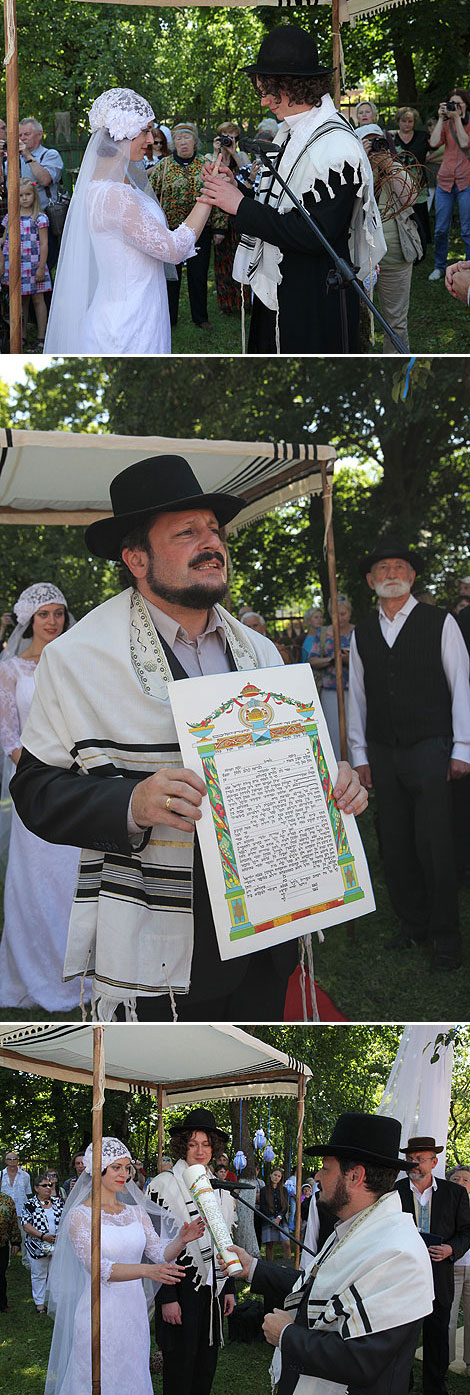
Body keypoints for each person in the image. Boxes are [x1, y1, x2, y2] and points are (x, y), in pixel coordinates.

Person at [11, 455, 366, 1022]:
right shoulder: (76, 659)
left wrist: (336, 783)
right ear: (135, 559)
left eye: (214, 530)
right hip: (159, 943)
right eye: (186, 532)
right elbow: (33, 789)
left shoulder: (262, 652)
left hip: (267, 931)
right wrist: (131, 802)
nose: (211, 542)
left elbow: (303, 768)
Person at [200, 26, 385, 354]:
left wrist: (240, 206)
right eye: (262, 89)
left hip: (313, 294)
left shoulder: (336, 147)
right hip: (283, 283)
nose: (264, 100)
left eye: (271, 90)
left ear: (297, 85)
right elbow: (281, 203)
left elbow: (318, 234)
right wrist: (236, 188)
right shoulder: (291, 131)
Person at [229, 1111, 434, 1395]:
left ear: (355, 1176)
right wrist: (253, 1267)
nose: (317, 1176)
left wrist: (287, 1335)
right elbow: (319, 1289)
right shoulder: (357, 1226)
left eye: (326, 1168)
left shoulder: (399, 1251)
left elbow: (362, 1359)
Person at [348, 535, 470, 971]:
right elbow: (356, 696)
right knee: (394, 843)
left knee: (435, 844)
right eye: (382, 569)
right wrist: (359, 754)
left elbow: (462, 687)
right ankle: (411, 924)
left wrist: (463, 748)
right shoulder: (362, 632)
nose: (392, 574)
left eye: (399, 567)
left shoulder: (441, 622)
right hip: (382, 751)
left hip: (430, 748)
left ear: (413, 575)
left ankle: (445, 938)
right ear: (370, 580)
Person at [44, 90, 212, 354]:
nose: (150, 139)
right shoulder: (114, 196)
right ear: (122, 132)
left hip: (138, 311)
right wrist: (209, 195)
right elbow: (173, 249)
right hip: (126, 326)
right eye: (145, 131)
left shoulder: (113, 185)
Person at [44, 1136, 205, 1395]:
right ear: (98, 1170)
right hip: (99, 1310)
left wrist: (181, 1239)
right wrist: (147, 1271)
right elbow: (98, 1268)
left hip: (133, 1311)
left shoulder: (135, 1212)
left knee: (131, 1373)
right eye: (116, 1167)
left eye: (127, 1167)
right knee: (99, 1375)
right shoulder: (80, 1216)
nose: (124, 1174)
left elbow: (158, 1253)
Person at [0, 583, 84, 1012]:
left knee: (74, 878)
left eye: (58, 613)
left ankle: (80, 969)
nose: (53, 622)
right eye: (44, 615)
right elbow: (7, 730)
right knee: (35, 880)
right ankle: (34, 971)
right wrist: (37, 770)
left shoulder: (72, 663)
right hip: (34, 786)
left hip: (73, 783)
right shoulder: (11, 669)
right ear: (29, 621)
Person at [147, 1108, 236, 1395]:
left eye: (206, 1144)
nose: (200, 1150)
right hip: (179, 1286)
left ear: (214, 1147)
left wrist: (229, 1286)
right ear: (183, 1145)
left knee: (206, 1367)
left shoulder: (220, 1188)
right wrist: (167, 1298)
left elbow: (226, 1240)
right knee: (180, 1369)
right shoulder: (163, 1186)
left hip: (211, 1289)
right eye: (193, 1144)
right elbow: (153, 1249)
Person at [396, 1135, 470, 1395]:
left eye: (420, 1159)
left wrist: (451, 1249)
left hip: (439, 1274)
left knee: (437, 1334)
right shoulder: (394, 1193)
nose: (415, 1164)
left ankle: (435, 1387)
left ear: (434, 1161)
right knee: (403, 1334)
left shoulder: (455, 1193)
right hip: (403, 1276)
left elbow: (466, 1232)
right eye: (410, 1160)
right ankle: (401, 1385)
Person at [150, 121, 225, 331]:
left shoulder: (206, 166)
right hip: (170, 231)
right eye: (179, 138)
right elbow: (151, 198)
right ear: (173, 143)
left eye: (187, 137)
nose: (183, 142)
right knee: (171, 277)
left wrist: (219, 228)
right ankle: (169, 318)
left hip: (200, 231)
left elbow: (216, 195)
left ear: (195, 141)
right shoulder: (163, 167)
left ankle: (200, 317)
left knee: (198, 275)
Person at [356, 124, 420, 353]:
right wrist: (362, 160)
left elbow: (410, 197)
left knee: (396, 324)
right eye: (368, 142)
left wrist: (388, 162)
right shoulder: (352, 172)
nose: (375, 148)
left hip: (395, 258)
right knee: (357, 322)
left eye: (378, 142)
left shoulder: (395, 168)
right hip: (360, 261)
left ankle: (397, 373)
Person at [0, 177, 52, 349]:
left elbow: (44, 243)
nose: (24, 198)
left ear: (34, 195)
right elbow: (4, 238)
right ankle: (20, 337)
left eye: (28, 194)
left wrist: (41, 267)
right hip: (15, 265)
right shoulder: (10, 217)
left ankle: (41, 337)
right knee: (20, 302)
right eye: (21, 195)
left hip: (34, 264)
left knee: (38, 300)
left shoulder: (40, 218)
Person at [428, 89, 470, 281]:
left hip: (466, 180)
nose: (455, 107)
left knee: (467, 230)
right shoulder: (444, 123)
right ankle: (439, 266)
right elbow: (435, 142)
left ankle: (468, 268)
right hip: (445, 180)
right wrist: (441, 118)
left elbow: (464, 141)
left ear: (466, 106)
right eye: (452, 104)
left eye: (459, 104)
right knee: (441, 228)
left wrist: (456, 119)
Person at [210, 123, 251, 316]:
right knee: (223, 259)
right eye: (225, 136)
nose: (229, 140)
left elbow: (249, 174)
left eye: (233, 136)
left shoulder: (241, 156)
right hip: (220, 214)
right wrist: (219, 153)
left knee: (242, 256)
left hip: (240, 210)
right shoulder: (213, 157)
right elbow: (214, 176)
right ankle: (226, 303)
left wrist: (233, 152)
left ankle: (244, 301)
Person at [308, 594, 354, 761]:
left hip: (354, 690)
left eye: (343, 614)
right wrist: (332, 659)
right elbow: (311, 659)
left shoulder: (357, 631)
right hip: (330, 689)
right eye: (336, 614)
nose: (340, 618)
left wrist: (350, 658)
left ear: (349, 613)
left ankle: (359, 769)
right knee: (333, 731)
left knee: (353, 731)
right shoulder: (322, 633)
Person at [18, 117, 63, 276]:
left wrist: (27, 155)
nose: (22, 138)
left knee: (45, 269)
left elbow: (45, 179)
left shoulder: (50, 155)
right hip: (19, 222)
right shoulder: (12, 158)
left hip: (44, 221)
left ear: (39, 134)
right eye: (20, 135)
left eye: (27, 134)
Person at [22, 1171, 64, 1313]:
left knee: (56, 1274)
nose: (48, 1188)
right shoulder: (30, 1204)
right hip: (37, 1245)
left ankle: (56, 1302)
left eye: (50, 1185)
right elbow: (26, 1225)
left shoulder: (58, 1202)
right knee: (39, 1274)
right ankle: (39, 1303)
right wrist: (42, 1236)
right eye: (44, 1185)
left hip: (57, 1245)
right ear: (36, 1188)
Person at [391, 106, 431, 252]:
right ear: (398, 121)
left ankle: (423, 245)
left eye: (410, 121)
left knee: (420, 214)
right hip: (399, 185)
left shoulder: (422, 136)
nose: (407, 124)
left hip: (418, 184)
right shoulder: (392, 138)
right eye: (404, 121)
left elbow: (439, 147)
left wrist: (430, 158)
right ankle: (404, 243)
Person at [447, 1165, 470, 1373]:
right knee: (448, 1316)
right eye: (456, 1179)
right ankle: (444, 1360)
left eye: (465, 1180)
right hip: (451, 1267)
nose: (461, 1183)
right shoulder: (446, 1204)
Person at [259, 1165, 291, 1262]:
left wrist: (279, 1218)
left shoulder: (284, 1190)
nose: (276, 1177)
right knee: (269, 1244)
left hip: (281, 1219)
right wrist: (271, 1220)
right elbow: (263, 1206)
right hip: (268, 1219)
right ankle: (270, 1266)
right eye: (275, 1175)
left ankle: (288, 1264)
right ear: (270, 1175)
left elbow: (285, 1206)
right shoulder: (264, 1190)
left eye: (279, 1176)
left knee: (286, 1243)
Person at [0, 1188, 20, 1313]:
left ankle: (2, 1304)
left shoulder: (7, 1200)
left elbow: (13, 1223)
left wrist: (16, 1242)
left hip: (2, 1245)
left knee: (1, 1275)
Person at [1, 1149, 31, 1217]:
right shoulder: (0, 1175)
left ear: (18, 1160)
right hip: (4, 1213)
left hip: (22, 1213)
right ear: (6, 1161)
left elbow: (28, 1194)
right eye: (9, 1159)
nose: (12, 1161)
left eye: (14, 1159)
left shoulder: (25, 1176)